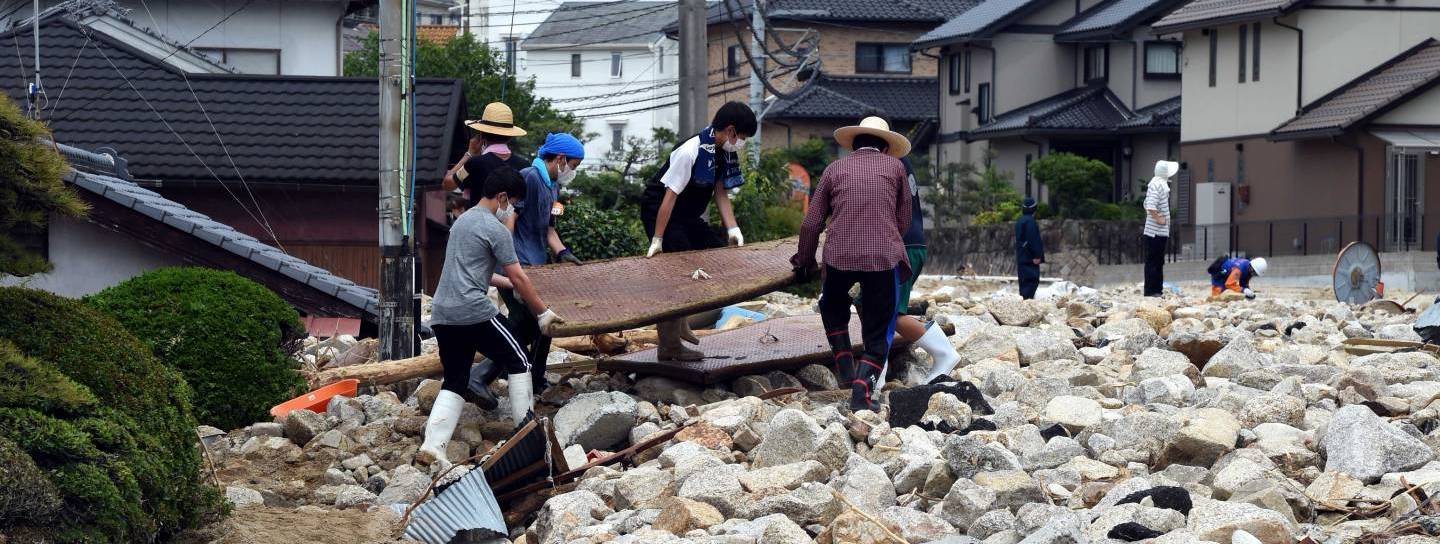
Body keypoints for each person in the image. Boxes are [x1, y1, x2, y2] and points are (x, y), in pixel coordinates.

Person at [419, 168, 565, 468]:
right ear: (502, 197)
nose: (512, 210)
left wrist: (515, 284)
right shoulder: (496, 229)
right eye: (512, 203)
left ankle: (432, 448)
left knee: (456, 380)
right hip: (474, 311)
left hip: (444, 314)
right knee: (521, 361)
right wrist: (543, 312)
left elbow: (487, 275)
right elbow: (519, 276)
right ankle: (526, 433)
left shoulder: (463, 222)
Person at [791, 116, 912, 412]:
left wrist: (803, 260)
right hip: (881, 259)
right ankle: (862, 394)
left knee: (832, 306)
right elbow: (904, 219)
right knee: (878, 326)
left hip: (839, 257)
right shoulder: (896, 168)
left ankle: (844, 360)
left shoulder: (834, 169)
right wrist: (885, 237)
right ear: (885, 148)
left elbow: (811, 224)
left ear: (853, 146)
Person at [474, 133, 588, 404]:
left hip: (536, 267)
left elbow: (550, 230)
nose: (573, 171)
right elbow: (509, 218)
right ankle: (480, 375)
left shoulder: (555, 189)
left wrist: (563, 252)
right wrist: (509, 260)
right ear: (560, 159)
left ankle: (534, 378)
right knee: (524, 324)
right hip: (517, 266)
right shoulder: (529, 177)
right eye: (573, 165)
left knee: (543, 323)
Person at [640, 101, 756, 361]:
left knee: (715, 252)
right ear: (731, 130)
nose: (743, 143)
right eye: (744, 138)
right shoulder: (690, 151)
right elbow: (669, 198)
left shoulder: (723, 152)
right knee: (678, 268)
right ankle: (669, 344)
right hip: (660, 210)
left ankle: (681, 321)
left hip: (686, 216)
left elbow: (720, 193)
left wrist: (733, 229)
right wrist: (658, 239)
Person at [853, 156, 962, 388]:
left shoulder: (886, 165)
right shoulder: (900, 161)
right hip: (908, 245)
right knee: (866, 303)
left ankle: (943, 354)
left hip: (900, 247)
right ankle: (878, 359)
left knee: (889, 311)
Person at [445, 102, 530, 209]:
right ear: (510, 136)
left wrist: (469, 154)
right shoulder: (525, 166)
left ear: (481, 135)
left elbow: (447, 184)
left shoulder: (475, 163)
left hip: (478, 224)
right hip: (511, 226)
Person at [1143, 161, 1179, 297]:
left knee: (1156, 261)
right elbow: (1150, 205)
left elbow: (1147, 203)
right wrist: (1160, 219)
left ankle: (1156, 290)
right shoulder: (1159, 185)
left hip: (1156, 231)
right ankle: (1152, 291)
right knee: (1154, 261)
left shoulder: (1155, 184)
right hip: (1155, 232)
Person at [1015, 198, 1044, 300]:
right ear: (1034, 209)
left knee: (1023, 282)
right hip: (1030, 258)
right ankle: (1028, 305)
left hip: (1021, 257)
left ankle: (1024, 304)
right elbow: (1033, 240)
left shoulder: (1020, 221)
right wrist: (1036, 255)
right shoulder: (1030, 222)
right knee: (1032, 281)